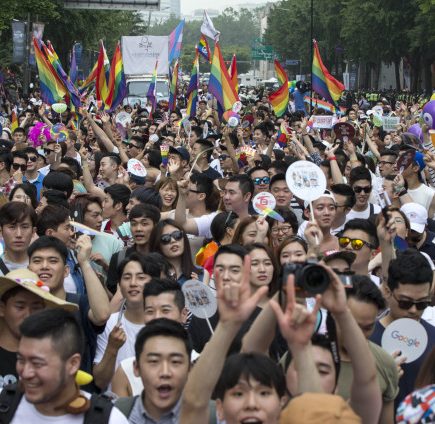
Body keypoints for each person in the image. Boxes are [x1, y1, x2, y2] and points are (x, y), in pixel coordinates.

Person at [1, 308, 128, 422]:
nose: (25, 373)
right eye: (21, 360)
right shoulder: (5, 404)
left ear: (73, 364)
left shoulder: (109, 420)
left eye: (37, 364)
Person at [27, 236, 110, 376]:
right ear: (29, 270)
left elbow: (102, 315)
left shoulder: (79, 304)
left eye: (53, 261)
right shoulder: (23, 310)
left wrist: (84, 262)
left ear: (66, 271)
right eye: (37, 261)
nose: (44, 266)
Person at [370, 249, 435, 408]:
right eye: (405, 302)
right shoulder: (366, 338)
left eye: (422, 303)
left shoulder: (433, 338)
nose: (413, 310)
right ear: (387, 291)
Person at [0, 269, 77, 390]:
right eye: (20, 307)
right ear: (2, 309)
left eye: (36, 308)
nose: (28, 314)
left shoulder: (54, 358)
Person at [111, 278, 189, 398]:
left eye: (165, 310)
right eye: (150, 311)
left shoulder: (200, 365)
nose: (157, 317)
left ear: (183, 314)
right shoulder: (126, 370)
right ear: (137, 369)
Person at [93, 253, 152, 391]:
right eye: (127, 277)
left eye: (141, 277)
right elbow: (100, 382)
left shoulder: (164, 325)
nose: (133, 283)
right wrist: (112, 348)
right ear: (119, 285)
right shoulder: (108, 324)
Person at [114, 318, 191, 423]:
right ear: (136, 368)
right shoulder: (114, 416)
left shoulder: (209, 417)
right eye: (154, 361)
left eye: (175, 361)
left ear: (189, 369)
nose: (165, 372)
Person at [106, 203, 161, 295]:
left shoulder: (165, 257)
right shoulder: (119, 258)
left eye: (144, 224)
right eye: (134, 224)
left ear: (156, 226)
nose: (138, 229)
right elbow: (113, 295)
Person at [36, 205, 85, 294]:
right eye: (67, 228)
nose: (71, 233)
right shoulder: (40, 266)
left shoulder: (72, 254)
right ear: (50, 233)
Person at [149, 219, 200, 286]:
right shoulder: (149, 275)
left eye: (177, 235)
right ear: (158, 245)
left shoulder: (202, 274)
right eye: (165, 238)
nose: (173, 240)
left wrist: (197, 290)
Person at [0, 202, 37, 275]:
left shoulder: (42, 268)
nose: (18, 234)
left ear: (33, 231)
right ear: (1, 231)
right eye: (12, 227)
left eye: (24, 227)